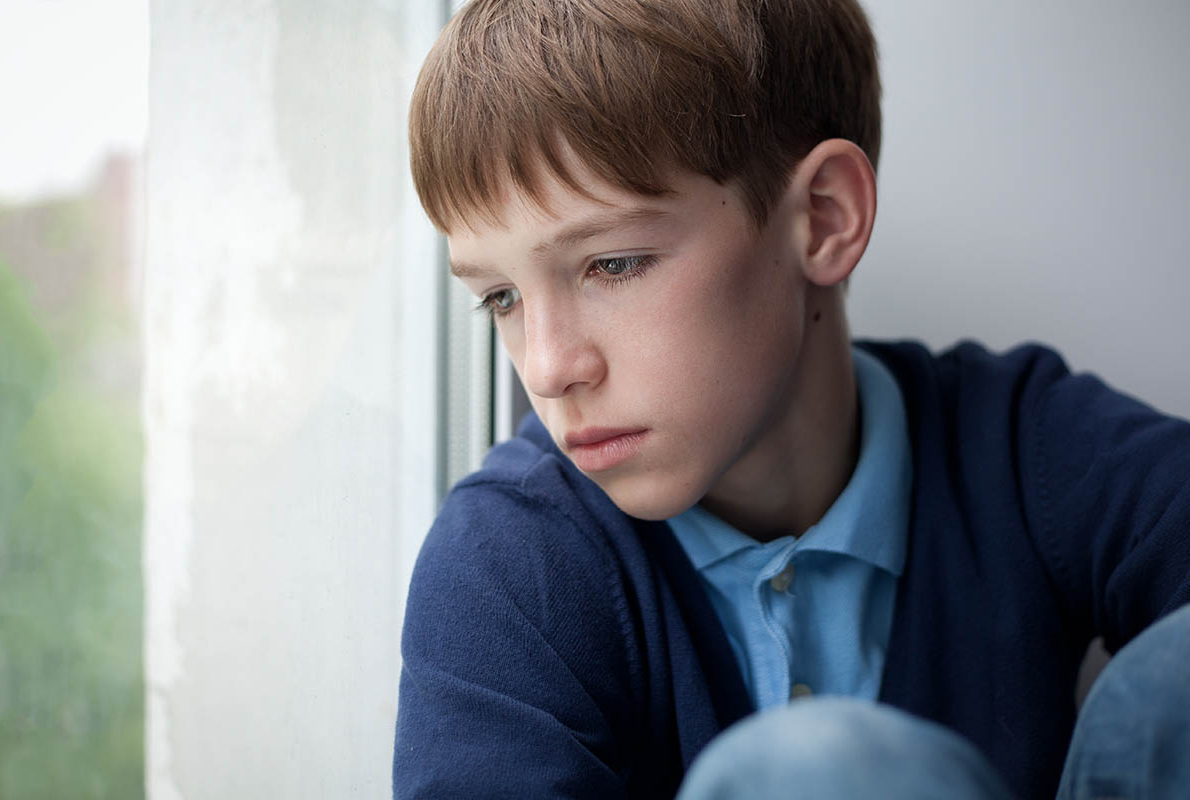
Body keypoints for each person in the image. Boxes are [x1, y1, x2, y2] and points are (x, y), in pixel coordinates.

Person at [393, 0, 1190, 797]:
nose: (545, 368)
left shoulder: (1025, 449)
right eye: (500, 298)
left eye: (614, 264)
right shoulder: (506, 562)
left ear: (821, 218)